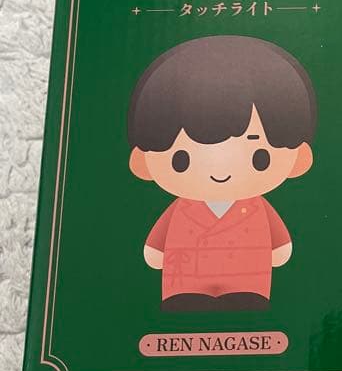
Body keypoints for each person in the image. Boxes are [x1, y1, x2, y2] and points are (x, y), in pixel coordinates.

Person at [128, 35, 316, 311]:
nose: (220, 170)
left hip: (247, 278)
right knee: (185, 304)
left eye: (259, 158)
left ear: (300, 157)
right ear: (142, 162)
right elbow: (156, 246)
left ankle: (245, 293)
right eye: (181, 160)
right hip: (185, 278)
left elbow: (280, 247)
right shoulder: (181, 209)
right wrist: (156, 250)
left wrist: (279, 247)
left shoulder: (257, 208)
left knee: (247, 301)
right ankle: (187, 294)